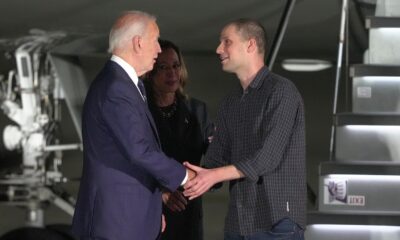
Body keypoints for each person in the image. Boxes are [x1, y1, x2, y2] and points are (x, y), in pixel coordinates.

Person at [71, 11, 194, 240]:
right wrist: (187, 176)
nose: (159, 50)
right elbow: (139, 150)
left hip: (128, 218)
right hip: (116, 223)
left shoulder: (127, 84)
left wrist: (151, 208)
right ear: (138, 43)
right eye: (155, 41)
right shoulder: (116, 88)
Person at [183, 18, 306, 240]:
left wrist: (213, 175)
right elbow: (215, 158)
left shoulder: (282, 92)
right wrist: (183, 177)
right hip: (238, 224)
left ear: (250, 45)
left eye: (226, 42)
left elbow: (267, 158)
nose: (218, 49)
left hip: (276, 223)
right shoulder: (231, 102)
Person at [144, 39, 213, 240]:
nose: (172, 73)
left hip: (188, 210)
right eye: (163, 67)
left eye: (175, 66)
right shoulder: (141, 112)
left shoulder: (197, 110)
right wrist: (160, 193)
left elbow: (215, 155)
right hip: (153, 211)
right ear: (150, 71)